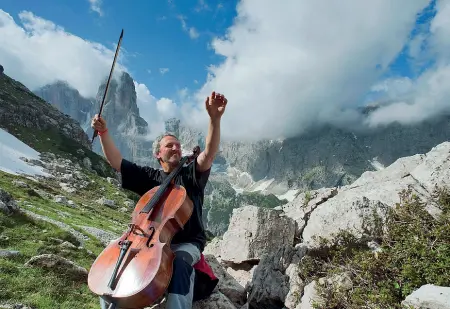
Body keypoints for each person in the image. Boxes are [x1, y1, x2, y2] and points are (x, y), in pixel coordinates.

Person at [91, 91, 227, 309]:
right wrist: (103, 132)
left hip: (186, 242)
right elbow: (116, 161)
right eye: (169, 146)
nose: (176, 148)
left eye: (178, 145)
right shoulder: (150, 177)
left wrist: (214, 119)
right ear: (158, 154)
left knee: (181, 264)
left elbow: (208, 154)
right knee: (118, 261)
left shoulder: (190, 173)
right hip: (149, 241)